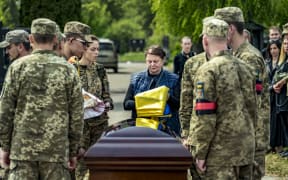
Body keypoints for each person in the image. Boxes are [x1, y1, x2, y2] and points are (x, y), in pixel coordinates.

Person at [0, 18, 84, 179]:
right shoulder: (68, 69)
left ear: (31, 39)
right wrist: (73, 150)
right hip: (56, 152)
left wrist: (5, 146)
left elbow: (5, 111)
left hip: (22, 150)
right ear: (55, 39)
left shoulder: (17, 67)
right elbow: (76, 115)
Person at [189, 17, 257, 179]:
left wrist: (200, 154)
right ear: (227, 38)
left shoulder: (208, 70)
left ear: (205, 40)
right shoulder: (246, 68)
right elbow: (254, 110)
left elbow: (205, 118)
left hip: (218, 157)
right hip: (245, 152)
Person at [214, 7, 270, 179]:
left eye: (219, 28)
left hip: (251, 139)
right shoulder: (238, 55)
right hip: (243, 138)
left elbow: (249, 102)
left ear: (230, 29)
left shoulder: (249, 58)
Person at [71, 35, 114, 180]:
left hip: (99, 122)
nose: (96, 53)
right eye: (93, 49)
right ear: (84, 49)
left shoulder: (100, 69)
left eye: (98, 49)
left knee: (99, 159)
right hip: (81, 124)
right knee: (81, 159)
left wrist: (107, 103)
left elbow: (106, 93)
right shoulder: (73, 69)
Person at [123, 45, 181, 136]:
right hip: (141, 129)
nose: (152, 64)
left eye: (156, 61)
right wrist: (147, 103)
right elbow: (126, 104)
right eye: (149, 61)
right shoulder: (136, 78)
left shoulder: (174, 79)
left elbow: (179, 105)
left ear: (163, 61)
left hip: (167, 130)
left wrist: (168, 98)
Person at [271, 23, 288, 157]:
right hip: (282, 97)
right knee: (284, 122)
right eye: (285, 43)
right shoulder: (284, 60)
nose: (286, 45)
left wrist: (283, 81)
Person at [265, 39, 283, 153]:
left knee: (278, 120)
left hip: (279, 95)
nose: (273, 51)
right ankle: (270, 144)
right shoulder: (266, 63)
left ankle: (279, 145)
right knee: (270, 120)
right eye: (271, 48)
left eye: (275, 48)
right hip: (269, 94)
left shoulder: (282, 63)